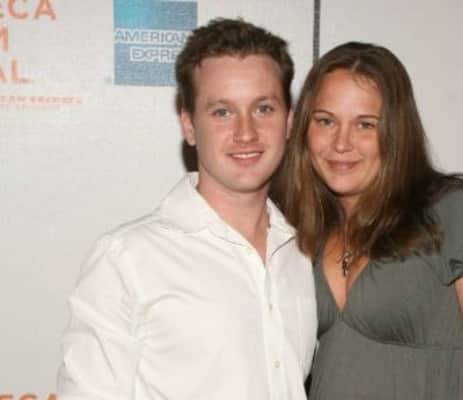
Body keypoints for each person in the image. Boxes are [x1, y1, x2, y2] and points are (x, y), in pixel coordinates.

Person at [57, 18, 316, 400]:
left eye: (263, 108)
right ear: (189, 125)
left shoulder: (301, 253)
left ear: (289, 121)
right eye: (222, 112)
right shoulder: (127, 260)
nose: (246, 132)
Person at [272, 41, 463, 400]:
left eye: (365, 125)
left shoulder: (455, 212)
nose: (341, 143)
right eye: (326, 121)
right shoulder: (299, 227)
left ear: (396, 131)